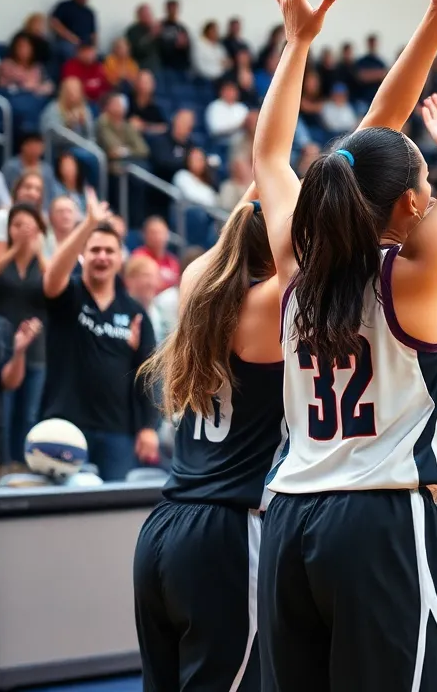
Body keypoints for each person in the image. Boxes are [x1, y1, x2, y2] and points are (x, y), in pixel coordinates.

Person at [253, 0, 437, 691]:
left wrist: (297, 45)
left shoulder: (297, 263)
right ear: (409, 203)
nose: (436, 193)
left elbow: (276, 155)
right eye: (427, 184)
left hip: (289, 517)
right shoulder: (418, 276)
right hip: (379, 521)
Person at [134, 188, 285, 692]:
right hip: (229, 531)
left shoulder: (196, 288)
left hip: (163, 528)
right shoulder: (273, 307)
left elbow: (242, 220)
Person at [41, 191, 160, 481]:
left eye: (109, 251)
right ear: (83, 256)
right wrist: (88, 225)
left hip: (117, 432)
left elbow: (147, 374)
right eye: (94, 250)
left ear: (121, 259)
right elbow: (52, 277)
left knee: (108, 516)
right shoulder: (69, 295)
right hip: (65, 427)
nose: (102, 257)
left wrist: (148, 427)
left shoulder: (135, 312)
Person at [0, 203, 49, 465]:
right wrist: (15, 249)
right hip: (3, 344)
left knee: (29, 414)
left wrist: (40, 253)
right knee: (4, 409)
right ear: (9, 230)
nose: (23, 230)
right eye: (17, 225)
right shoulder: (5, 260)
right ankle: (3, 465)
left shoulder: (43, 262)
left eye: (29, 225)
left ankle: (26, 465)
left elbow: (54, 289)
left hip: (36, 347)